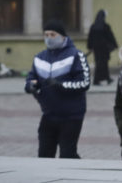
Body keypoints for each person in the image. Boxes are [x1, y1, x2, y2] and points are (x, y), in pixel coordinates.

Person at [24, 19, 91, 158]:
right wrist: (31, 86)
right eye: (46, 35)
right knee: (44, 154)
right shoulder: (39, 57)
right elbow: (31, 78)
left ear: (63, 37)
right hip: (49, 114)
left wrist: (60, 85)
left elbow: (84, 82)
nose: (49, 38)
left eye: (53, 35)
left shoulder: (76, 55)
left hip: (71, 115)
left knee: (67, 154)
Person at [86, 9, 118, 86]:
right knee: (104, 64)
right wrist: (114, 44)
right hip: (104, 49)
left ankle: (105, 78)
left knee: (99, 63)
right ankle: (99, 79)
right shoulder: (105, 26)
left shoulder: (93, 27)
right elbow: (110, 36)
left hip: (96, 49)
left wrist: (90, 46)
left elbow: (90, 38)